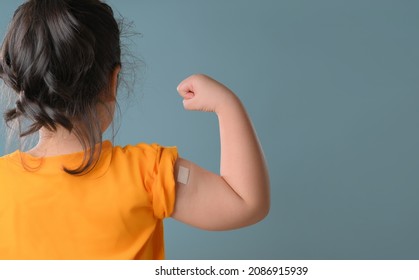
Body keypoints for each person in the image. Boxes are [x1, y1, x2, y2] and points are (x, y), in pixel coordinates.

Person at [0, 0, 270, 259]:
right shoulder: (146, 173)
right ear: (112, 82)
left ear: (21, 85)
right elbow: (246, 202)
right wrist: (227, 104)